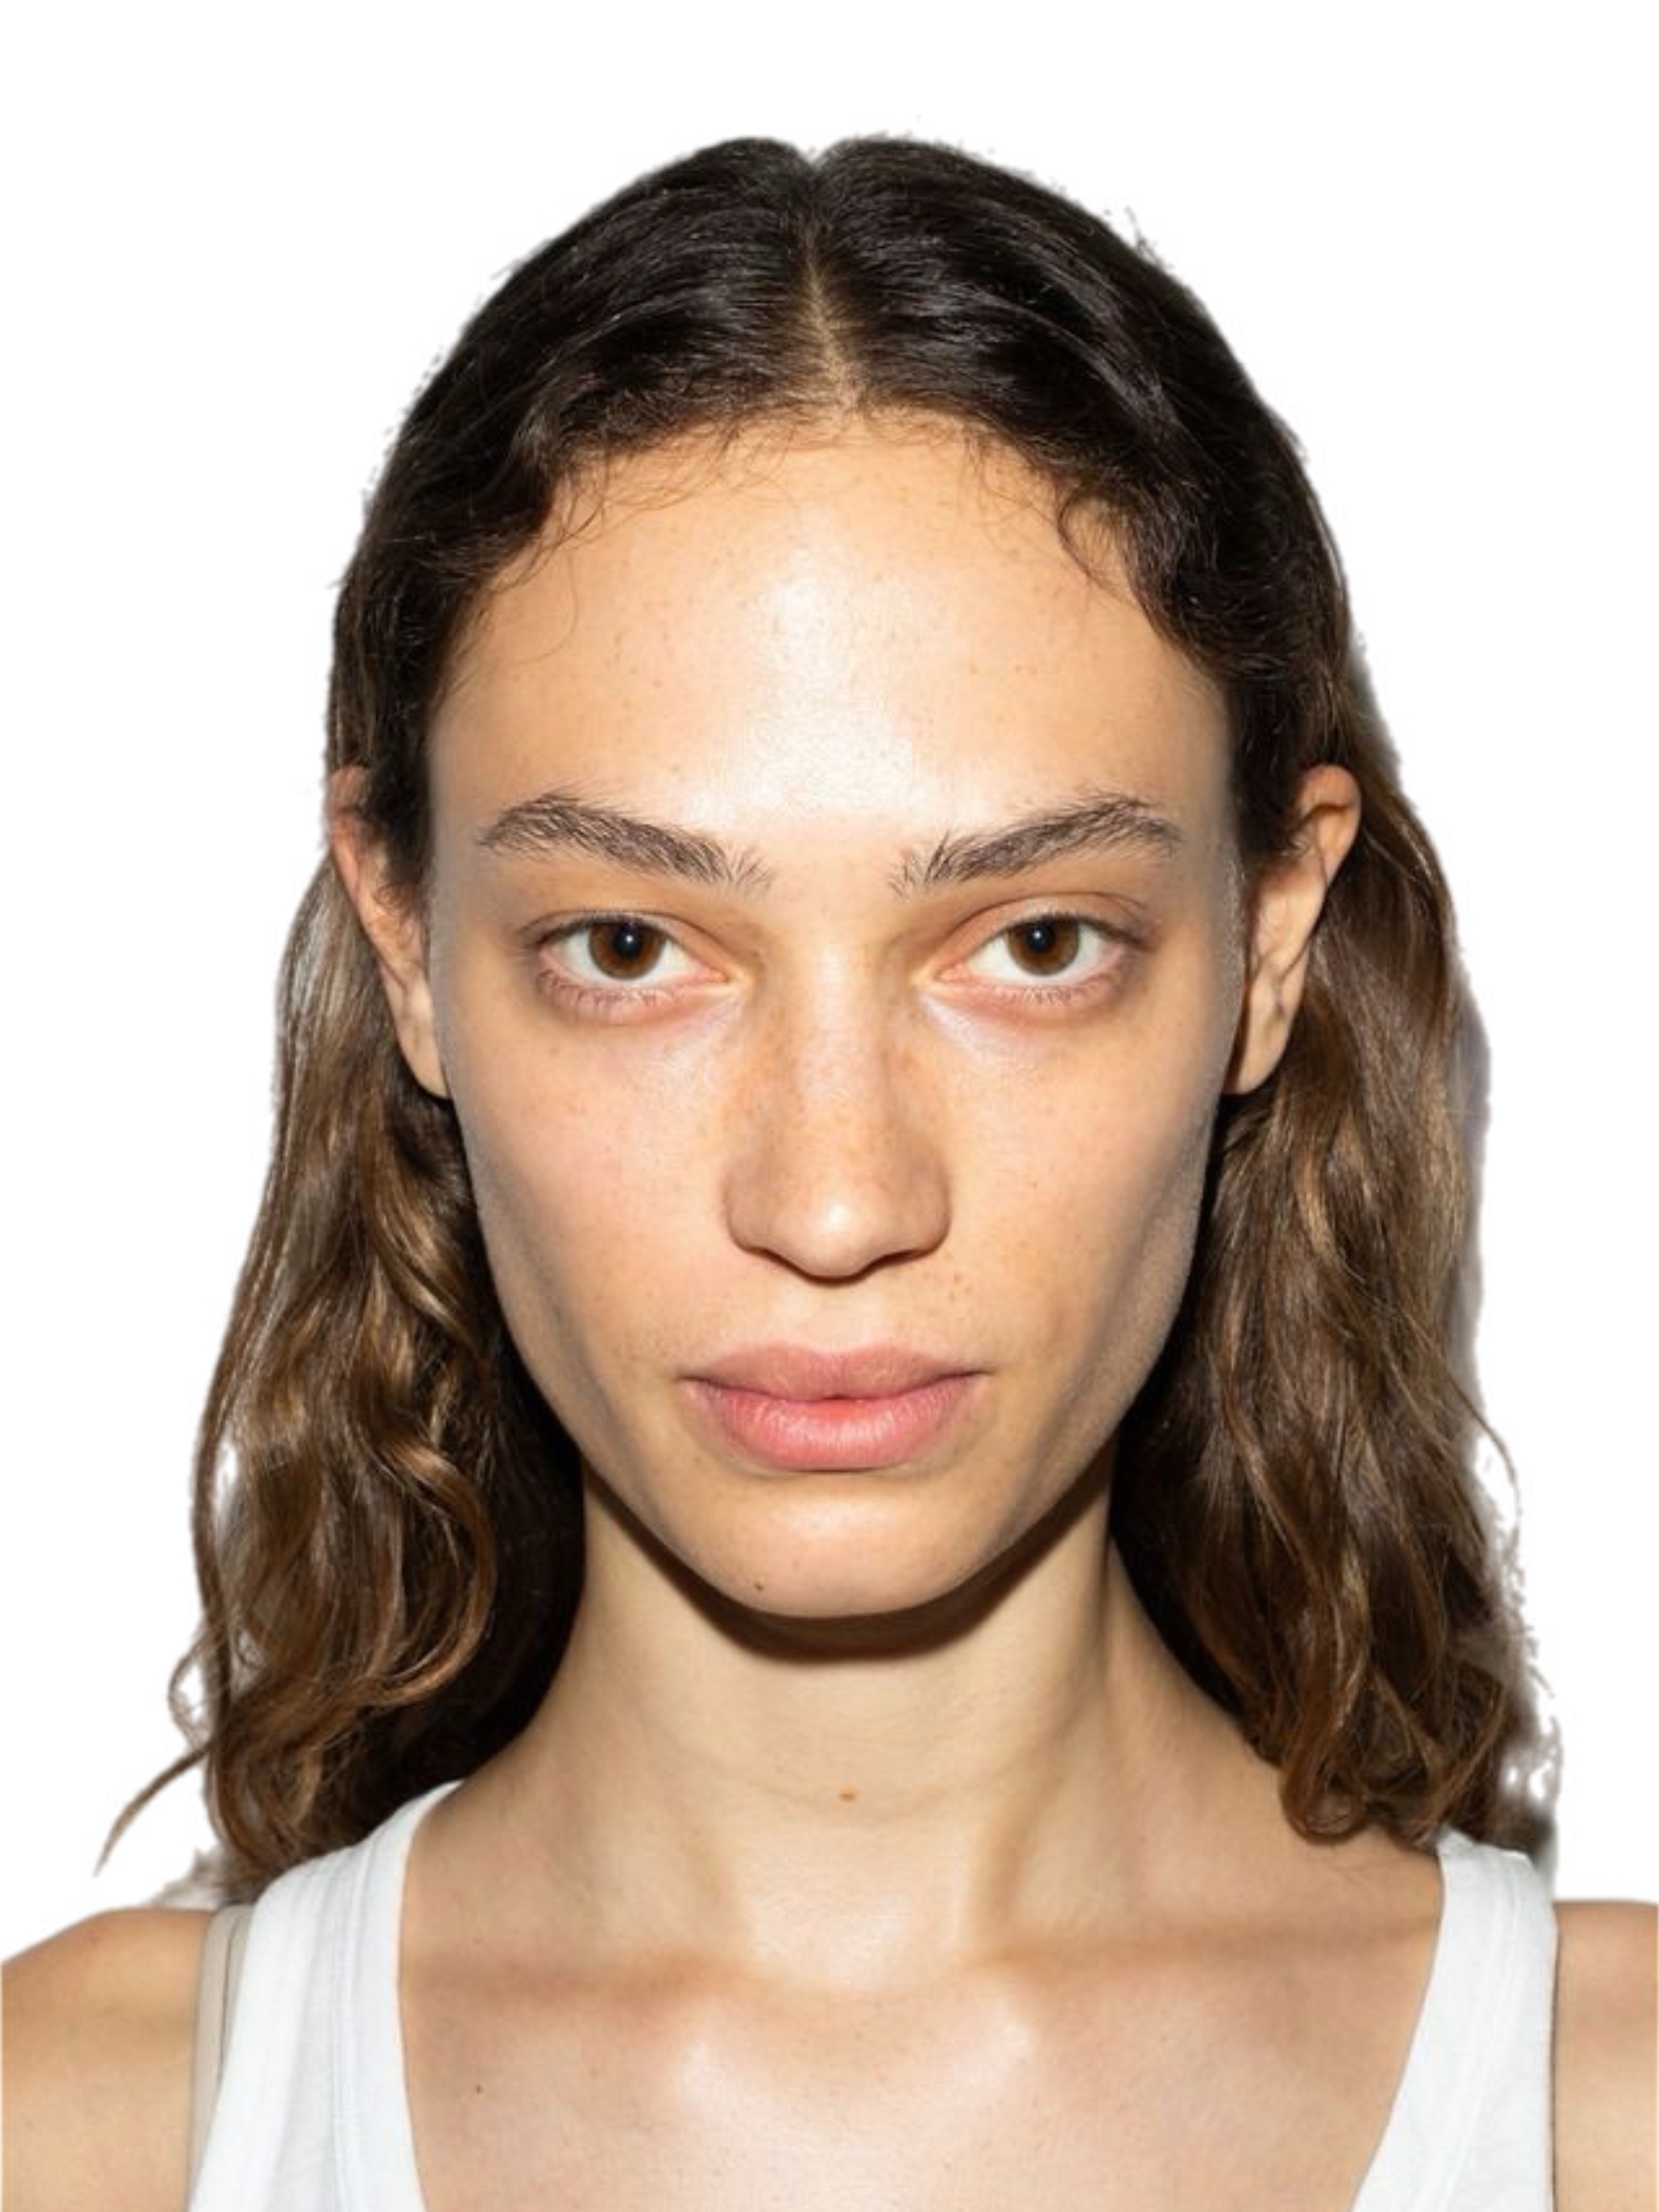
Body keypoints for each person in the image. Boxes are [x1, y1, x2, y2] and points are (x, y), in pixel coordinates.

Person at [4, 135, 1653, 2212]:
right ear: (409, 947)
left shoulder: (1621, 2116)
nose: (838, 1196)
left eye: (1034, 944)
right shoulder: (65, 2138)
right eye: (631, 950)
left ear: (1274, 943)